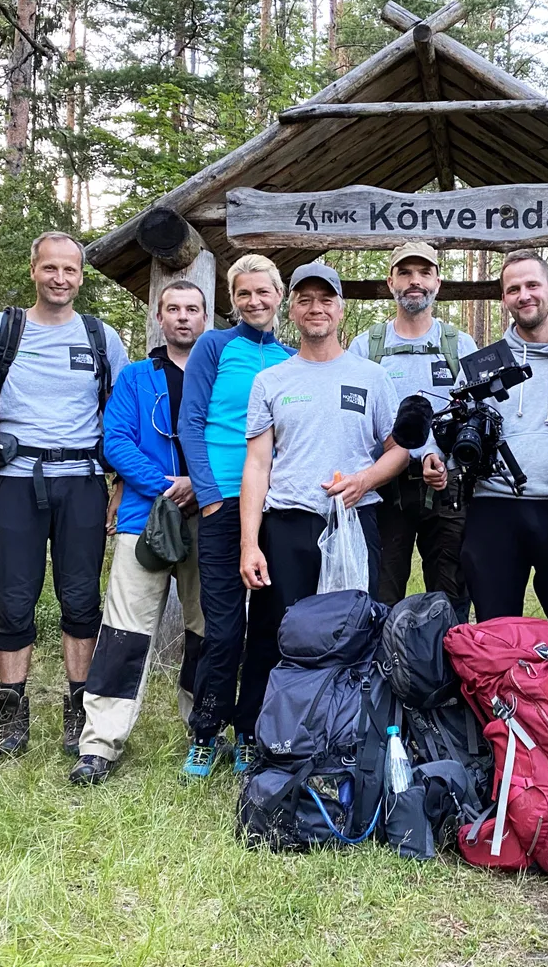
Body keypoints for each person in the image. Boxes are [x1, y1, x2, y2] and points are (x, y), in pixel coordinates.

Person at [0, 231, 130, 759]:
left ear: (82, 277)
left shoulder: (101, 337)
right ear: (34, 270)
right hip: (15, 480)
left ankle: (78, 711)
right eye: (51, 269)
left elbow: (122, 421)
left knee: (81, 599)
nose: (60, 279)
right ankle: (12, 714)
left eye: (71, 270)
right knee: (13, 601)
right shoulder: (0, 330)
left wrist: (119, 487)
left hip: (82, 480)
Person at [70, 280, 210, 785]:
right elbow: (117, 442)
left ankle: (204, 730)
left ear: (205, 315)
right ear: (159, 316)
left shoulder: (220, 375)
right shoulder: (134, 378)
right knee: (124, 632)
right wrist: (169, 487)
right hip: (141, 518)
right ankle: (100, 744)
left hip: (209, 517)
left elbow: (241, 437)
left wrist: (202, 484)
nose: (182, 317)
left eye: (192, 309)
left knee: (204, 631)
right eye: (172, 308)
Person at [240, 262, 407, 663]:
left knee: (351, 629)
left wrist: (364, 480)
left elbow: (399, 449)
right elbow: (257, 466)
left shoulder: (373, 377)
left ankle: (347, 723)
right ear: (292, 310)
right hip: (287, 523)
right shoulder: (271, 380)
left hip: (353, 521)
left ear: (340, 309)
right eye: (305, 300)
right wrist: (249, 545)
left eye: (326, 299)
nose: (316, 308)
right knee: (279, 631)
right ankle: (266, 724)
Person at [178, 254, 295, 778]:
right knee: (223, 630)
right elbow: (191, 421)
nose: (254, 302)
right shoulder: (214, 346)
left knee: (269, 629)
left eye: (263, 292)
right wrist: (208, 495)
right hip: (224, 501)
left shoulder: (293, 358)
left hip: (277, 507)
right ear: (232, 299)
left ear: (279, 295)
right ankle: (206, 730)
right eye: (244, 294)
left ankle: (250, 730)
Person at [349, 242, 477, 613]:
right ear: (391, 282)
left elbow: (474, 416)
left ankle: (446, 670)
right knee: (379, 596)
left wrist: (445, 456)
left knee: (449, 599)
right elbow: (355, 422)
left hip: (448, 489)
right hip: (385, 490)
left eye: (424, 273)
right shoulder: (366, 346)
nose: (414, 281)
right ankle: (381, 669)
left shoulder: (459, 344)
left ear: (438, 281)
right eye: (405, 273)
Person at [458, 250, 548, 630]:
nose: (524, 295)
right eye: (514, 289)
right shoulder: (484, 364)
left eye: (532, 285)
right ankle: (499, 692)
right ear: (504, 299)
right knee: (496, 630)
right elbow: (461, 428)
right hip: (493, 507)